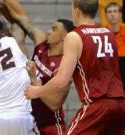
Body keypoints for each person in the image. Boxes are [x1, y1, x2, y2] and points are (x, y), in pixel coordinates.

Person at [25, 0, 125, 134]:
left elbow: (61, 81)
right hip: (120, 104)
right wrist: (73, 70)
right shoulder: (108, 33)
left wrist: (36, 91)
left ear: (76, 11)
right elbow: (102, 68)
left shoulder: (74, 36)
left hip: (97, 105)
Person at [0, 1, 74, 134]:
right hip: (27, 120)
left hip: (50, 125)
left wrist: (35, 81)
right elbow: (20, 18)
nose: (48, 32)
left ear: (65, 37)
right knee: (16, 26)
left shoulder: (65, 65)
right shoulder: (41, 42)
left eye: (54, 29)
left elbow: (55, 104)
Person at [105, 2, 125, 88]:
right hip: (108, 71)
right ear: (105, 15)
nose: (112, 14)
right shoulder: (101, 33)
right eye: (109, 12)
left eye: (115, 11)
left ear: (120, 14)